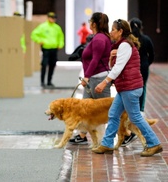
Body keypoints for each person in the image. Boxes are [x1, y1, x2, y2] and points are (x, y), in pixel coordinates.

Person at [92, 19, 162, 157]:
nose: (110, 32)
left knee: (135, 117)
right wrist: (112, 56)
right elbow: (115, 67)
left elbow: (118, 68)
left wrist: (104, 82)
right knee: (113, 114)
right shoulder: (121, 46)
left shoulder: (125, 45)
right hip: (126, 88)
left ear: (120, 31)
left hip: (130, 88)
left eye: (113, 29)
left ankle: (154, 143)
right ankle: (107, 144)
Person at [69, 12, 112, 145]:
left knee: (102, 111)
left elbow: (95, 60)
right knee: (85, 109)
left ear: (94, 23)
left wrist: (87, 76)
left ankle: (106, 140)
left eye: (90, 20)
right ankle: (82, 135)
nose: (89, 23)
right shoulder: (98, 37)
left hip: (98, 79)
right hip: (93, 79)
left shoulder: (99, 39)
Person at [119, 18, 156, 147]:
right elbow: (152, 55)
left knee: (129, 91)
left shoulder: (128, 41)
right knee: (142, 89)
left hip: (131, 70)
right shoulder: (145, 39)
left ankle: (132, 116)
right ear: (141, 26)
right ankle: (140, 110)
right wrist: (146, 64)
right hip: (143, 68)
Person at [31, 12, 64, 87]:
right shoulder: (43, 26)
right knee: (44, 64)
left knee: (52, 64)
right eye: (52, 18)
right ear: (48, 18)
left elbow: (61, 37)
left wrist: (60, 44)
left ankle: (49, 81)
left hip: (54, 48)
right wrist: (39, 41)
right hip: (46, 48)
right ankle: (42, 81)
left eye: (54, 18)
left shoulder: (57, 27)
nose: (53, 19)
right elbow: (34, 34)